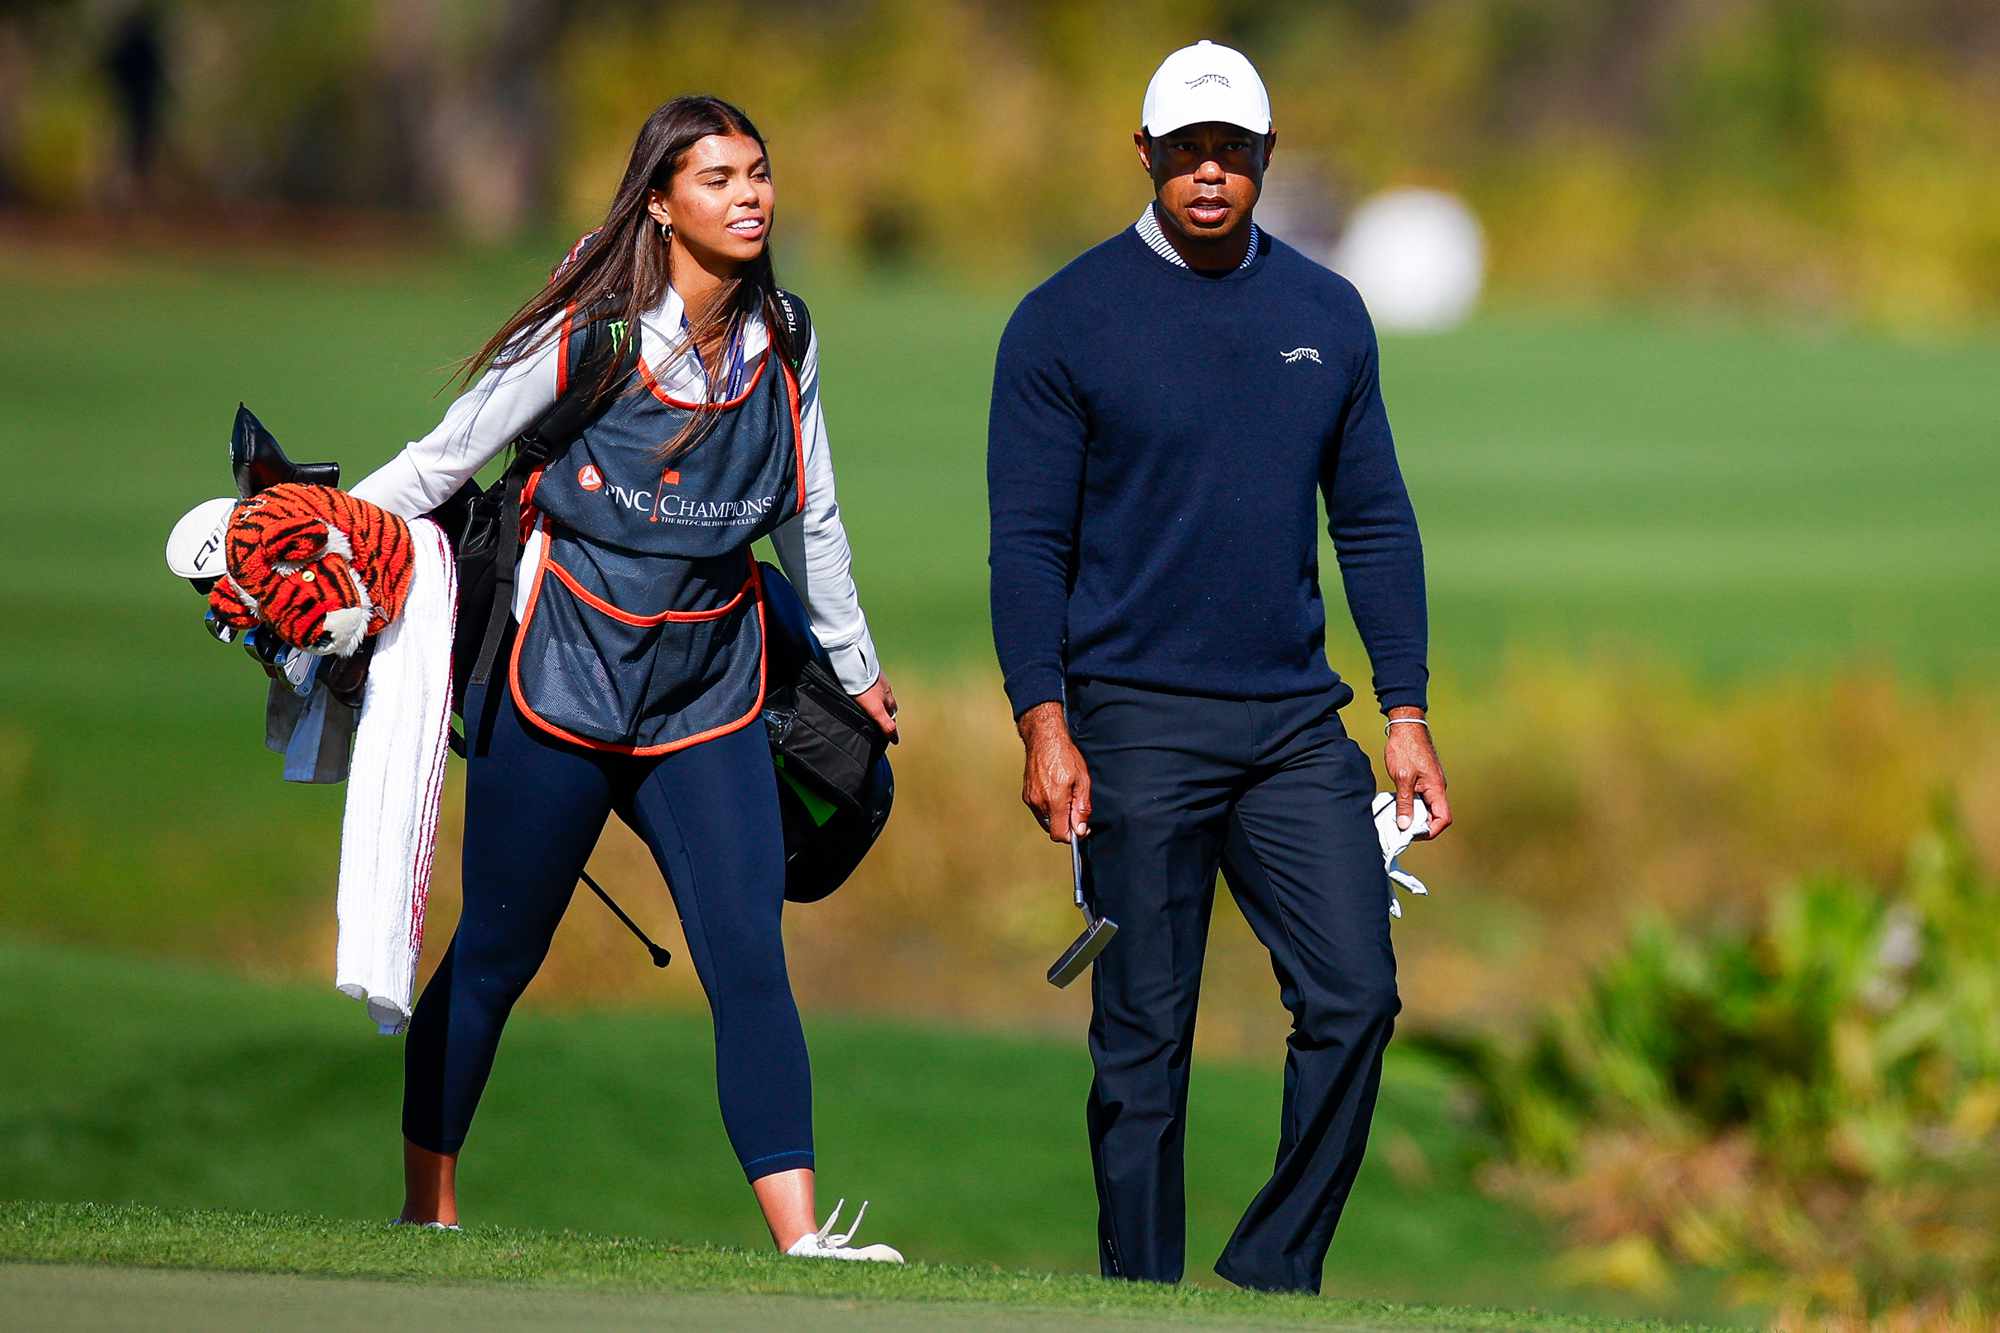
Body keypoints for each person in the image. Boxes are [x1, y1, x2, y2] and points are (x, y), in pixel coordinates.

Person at [349, 95, 904, 1262]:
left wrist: (856, 669)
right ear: (661, 201)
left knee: (747, 954)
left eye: (757, 171)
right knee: (498, 952)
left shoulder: (785, 337)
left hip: (709, 690)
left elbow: (813, 518)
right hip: (558, 680)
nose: (749, 195)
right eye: (716, 178)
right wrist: (329, 533)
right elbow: (443, 460)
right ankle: (425, 1209)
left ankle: (802, 1243)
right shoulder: (591, 331)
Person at [986, 42, 1453, 1293]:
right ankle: (1140, 1302)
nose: (1208, 174)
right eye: (1185, 151)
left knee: (1354, 998)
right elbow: (1026, 545)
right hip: (1132, 719)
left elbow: (1372, 519)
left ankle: (1267, 1280)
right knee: (1141, 1041)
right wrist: (1044, 721)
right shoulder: (1062, 320)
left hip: (1295, 726)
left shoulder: (1323, 312)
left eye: (1231, 153)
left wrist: (1402, 710)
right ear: (1142, 154)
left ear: (1263, 158)